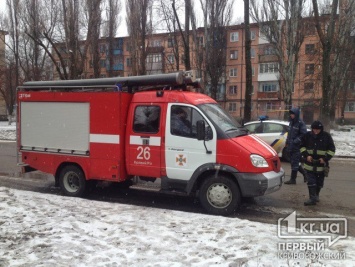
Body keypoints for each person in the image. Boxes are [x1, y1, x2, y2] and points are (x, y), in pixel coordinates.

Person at [300, 120, 336, 205]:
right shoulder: (307, 136)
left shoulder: (326, 136)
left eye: (317, 129)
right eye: (314, 129)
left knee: (319, 183)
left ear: (321, 129)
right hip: (309, 164)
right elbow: (301, 146)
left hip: (321, 165)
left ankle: (316, 195)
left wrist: (325, 158)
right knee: (311, 182)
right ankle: (312, 198)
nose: (315, 131)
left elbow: (332, 149)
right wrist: (306, 155)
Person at [284, 107, 308, 184]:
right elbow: (289, 134)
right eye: (291, 114)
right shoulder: (291, 122)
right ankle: (305, 173)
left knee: (295, 162)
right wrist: (287, 142)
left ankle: (293, 179)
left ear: (296, 114)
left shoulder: (300, 123)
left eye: (293, 114)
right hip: (290, 146)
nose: (291, 115)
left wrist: (296, 141)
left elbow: (304, 135)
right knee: (293, 162)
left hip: (297, 147)